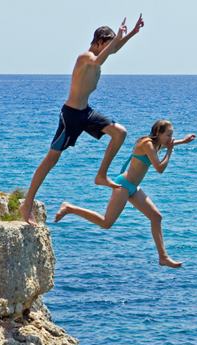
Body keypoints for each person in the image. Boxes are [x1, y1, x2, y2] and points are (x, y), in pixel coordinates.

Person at [18, 15, 144, 226]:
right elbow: (100, 59)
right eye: (108, 43)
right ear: (98, 42)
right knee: (51, 159)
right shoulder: (85, 57)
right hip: (71, 115)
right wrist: (118, 38)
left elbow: (112, 50)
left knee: (119, 132)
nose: (110, 48)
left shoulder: (100, 54)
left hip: (86, 113)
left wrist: (131, 33)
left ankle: (101, 175)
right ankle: (27, 203)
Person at [54, 119, 193, 269]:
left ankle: (163, 257)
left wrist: (182, 142)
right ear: (158, 133)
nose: (171, 138)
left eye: (172, 135)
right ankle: (69, 208)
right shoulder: (147, 144)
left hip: (133, 187)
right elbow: (159, 168)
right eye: (169, 134)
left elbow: (166, 144)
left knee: (156, 217)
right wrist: (170, 151)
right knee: (106, 223)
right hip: (123, 186)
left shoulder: (156, 143)